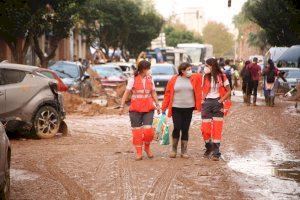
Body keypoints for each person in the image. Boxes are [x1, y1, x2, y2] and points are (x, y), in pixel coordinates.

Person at [119, 60, 160, 161]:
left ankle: (147, 147)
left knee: (148, 132)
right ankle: (139, 152)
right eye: (148, 68)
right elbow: (126, 93)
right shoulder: (132, 79)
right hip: (135, 109)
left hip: (148, 108)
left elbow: (153, 93)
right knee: (136, 132)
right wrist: (121, 106)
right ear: (143, 69)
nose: (149, 70)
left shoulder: (150, 79)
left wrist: (158, 105)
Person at [161, 62, 202, 159]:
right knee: (177, 127)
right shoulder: (174, 79)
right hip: (176, 107)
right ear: (182, 71)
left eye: (190, 69)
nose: (190, 71)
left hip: (189, 108)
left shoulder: (195, 77)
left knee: (185, 129)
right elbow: (167, 94)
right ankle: (174, 150)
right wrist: (164, 108)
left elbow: (205, 79)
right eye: (188, 69)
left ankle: (184, 151)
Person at [201, 58, 231, 161]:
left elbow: (229, 91)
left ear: (212, 66)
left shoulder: (222, 76)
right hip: (206, 103)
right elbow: (200, 90)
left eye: (207, 66)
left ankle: (216, 153)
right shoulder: (205, 76)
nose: (205, 68)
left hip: (218, 103)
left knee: (217, 129)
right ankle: (209, 147)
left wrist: (221, 100)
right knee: (205, 130)